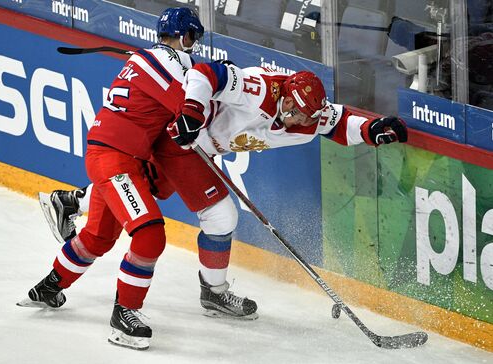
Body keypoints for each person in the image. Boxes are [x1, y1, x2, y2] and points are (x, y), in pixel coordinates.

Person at [37, 59, 407, 346]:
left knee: (140, 193)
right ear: (283, 98)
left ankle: (72, 201)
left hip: (199, 151)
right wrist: (193, 113)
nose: (298, 122)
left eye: (305, 117)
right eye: (294, 113)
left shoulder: (306, 114)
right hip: (183, 142)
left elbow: (338, 121)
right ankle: (212, 294)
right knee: (218, 216)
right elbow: (204, 73)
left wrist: (373, 130)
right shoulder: (259, 88)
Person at [20, 7, 259, 351]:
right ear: (185, 36)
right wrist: (226, 79)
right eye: (193, 37)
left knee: (98, 237)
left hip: (124, 157)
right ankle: (125, 314)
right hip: (115, 159)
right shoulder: (171, 64)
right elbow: (192, 112)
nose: (193, 45)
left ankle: (49, 286)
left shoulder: (152, 60)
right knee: (149, 236)